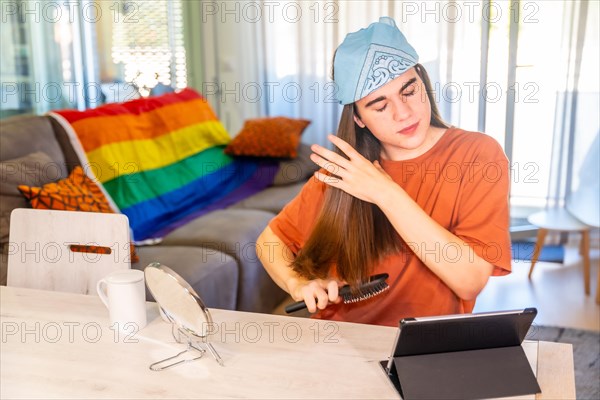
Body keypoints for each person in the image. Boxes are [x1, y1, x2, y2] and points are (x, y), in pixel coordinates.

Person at [257, 17, 511, 327]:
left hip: (423, 345)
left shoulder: (478, 155)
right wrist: (297, 284)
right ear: (359, 119)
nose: (403, 113)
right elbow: (269, 241)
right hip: (338, 340)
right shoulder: (347, 171)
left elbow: (469, 280)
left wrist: (385, 192)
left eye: (408, 90)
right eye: (380, 105)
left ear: (422, 80)